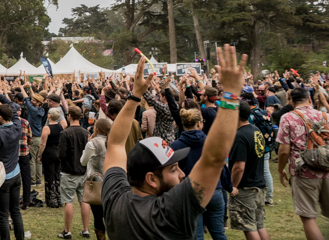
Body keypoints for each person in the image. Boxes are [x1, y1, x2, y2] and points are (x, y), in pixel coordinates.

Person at [102, 46, 245, 240]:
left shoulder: (114, 199)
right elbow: (213, 159)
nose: (182, 174)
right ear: (151, 179)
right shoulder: (171, 211)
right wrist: (231, 96)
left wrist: (135, 95)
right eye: (173, 169)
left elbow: (116, 144)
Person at [277, 86, 329, 240]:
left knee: (308, 217)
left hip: (303, 172)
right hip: (327, 170)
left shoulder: (287, 117)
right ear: (309, 99)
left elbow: (284, 151)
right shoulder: (325, 116)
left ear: (291, 102)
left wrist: (281, 170)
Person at [171, 109, 228, 240]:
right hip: (214, 190)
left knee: (196, 235)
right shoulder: (211, 142)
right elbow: (221, 166)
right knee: (219, 233)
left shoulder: (176, 145)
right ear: (199, 124)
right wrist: (228, 186)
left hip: (190, 191)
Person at [228, 100, 269, 240]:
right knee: (259, 225)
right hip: (258, 185)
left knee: (249, 227)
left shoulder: (239, 136)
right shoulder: (256, 130)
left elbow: (239, 167)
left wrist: (233, 185)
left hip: (246, 188)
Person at [0, 101, 24, 240]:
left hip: (4, 177)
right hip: (16, 174)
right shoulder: (17, 127)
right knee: (15, 211)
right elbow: (14, 111)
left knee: (3, 214)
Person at [57, 105, 91, 240]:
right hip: (83, 171)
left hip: (69, 171)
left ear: (69, 116)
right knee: (84, 201)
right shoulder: (86, 133)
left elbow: (61, 154)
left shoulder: (65, 133)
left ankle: (68, 231)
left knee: (68, 201)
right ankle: (86, 229)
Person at [80, 118, 112, 240]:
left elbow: (83, 162)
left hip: (96, 183)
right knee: (110, 214)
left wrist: (88, 144)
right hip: (111, 180)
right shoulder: (113, 141)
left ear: (97, 128)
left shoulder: (93, 143)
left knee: (98, 215)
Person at [39, 106, 64, 208]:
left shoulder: (47, 128)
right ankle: (59, 197)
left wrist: (39, 155)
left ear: (49, 116)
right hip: (57, 151)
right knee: (56, 174)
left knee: (49, 176)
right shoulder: (60, 127)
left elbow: (43, 144)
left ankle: (51, 199)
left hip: (49, 152)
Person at [20, 83, 44, 186]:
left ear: (38, 103)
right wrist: (30, 88)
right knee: (38, 160)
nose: (32, 100)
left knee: (32, 160)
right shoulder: (41, 110)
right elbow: (32, 98)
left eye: (34, 100)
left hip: (33, 137)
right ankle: (38, 180)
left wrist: (22, 88)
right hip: (40, 137)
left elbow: (26, 98)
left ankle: (33, 180)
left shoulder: (33, 110)